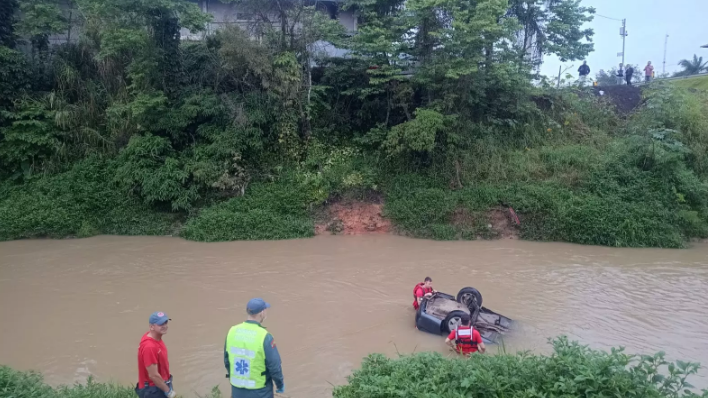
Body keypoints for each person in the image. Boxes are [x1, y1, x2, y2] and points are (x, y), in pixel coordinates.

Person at [225, 298, 284, 398]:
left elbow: (227, 361)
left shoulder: (232, 331)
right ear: (261, 313)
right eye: (265, 310)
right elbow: (275, 366)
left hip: (237, 390)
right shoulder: (265, 337)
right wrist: (280, 384)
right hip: (260, 391)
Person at [136, 312, 176, 398]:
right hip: (153, 390)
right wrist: (168, 391)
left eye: (165, 322)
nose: (165, 326)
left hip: (160, 384)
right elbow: (153, 375)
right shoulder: (149, 347)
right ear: (151, 327)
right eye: (161, 324)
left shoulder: (156, 338)